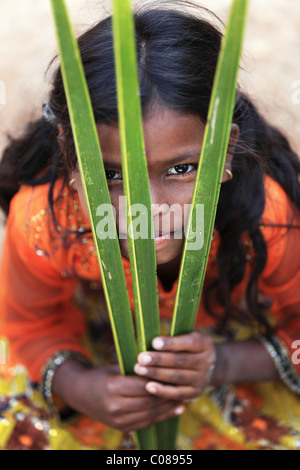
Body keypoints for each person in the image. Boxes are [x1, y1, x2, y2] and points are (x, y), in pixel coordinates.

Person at [0, 1, 300, 451]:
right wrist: (80, 386)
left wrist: (221, 363)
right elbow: (28, 322)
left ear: (225, 150)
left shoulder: (265, 218)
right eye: (112, 175)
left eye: (181, 169)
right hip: (102, 358)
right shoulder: (43, 221)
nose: (151, 208)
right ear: (71, 155)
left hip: (227, 346)